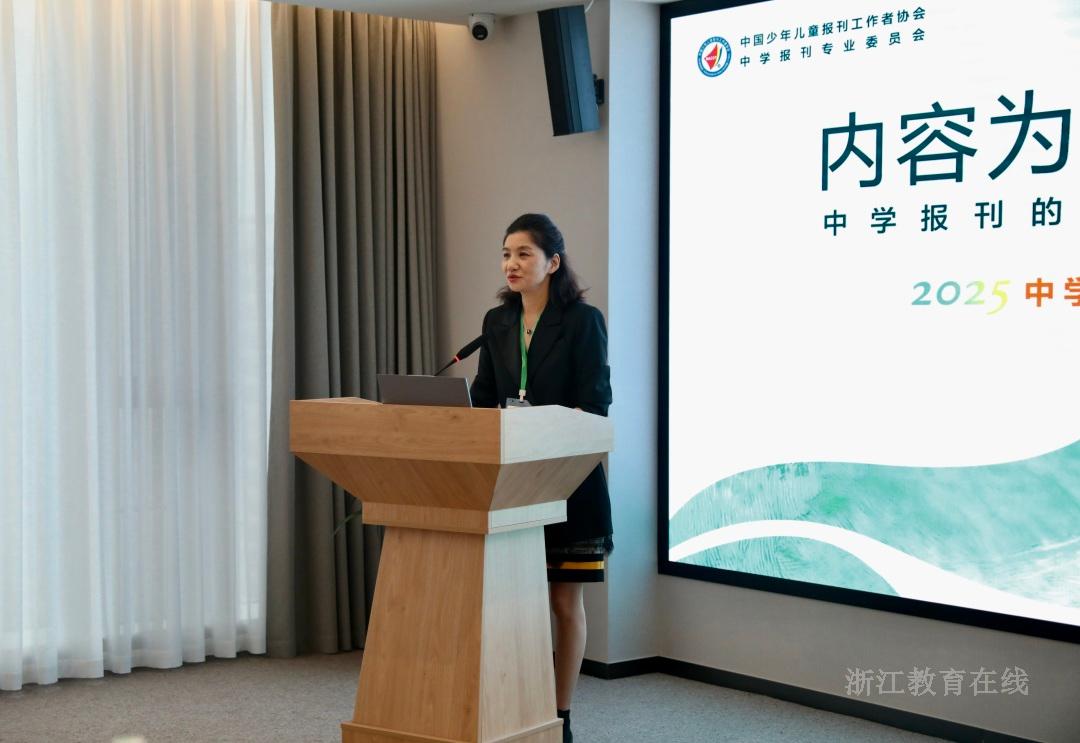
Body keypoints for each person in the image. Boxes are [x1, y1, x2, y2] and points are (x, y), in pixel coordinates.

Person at [470, 213, 612, 743]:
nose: (511, 263)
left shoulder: (582, 321)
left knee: (562, 604)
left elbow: (595, 404)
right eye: (506, 253)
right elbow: (484, 399)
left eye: (524, 253)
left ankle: (561, 714)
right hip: (511, 486)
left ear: (553, 263)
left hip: (568, 480)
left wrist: (542, 425)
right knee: (515, 603)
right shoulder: (497, 322)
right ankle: (518, 709)